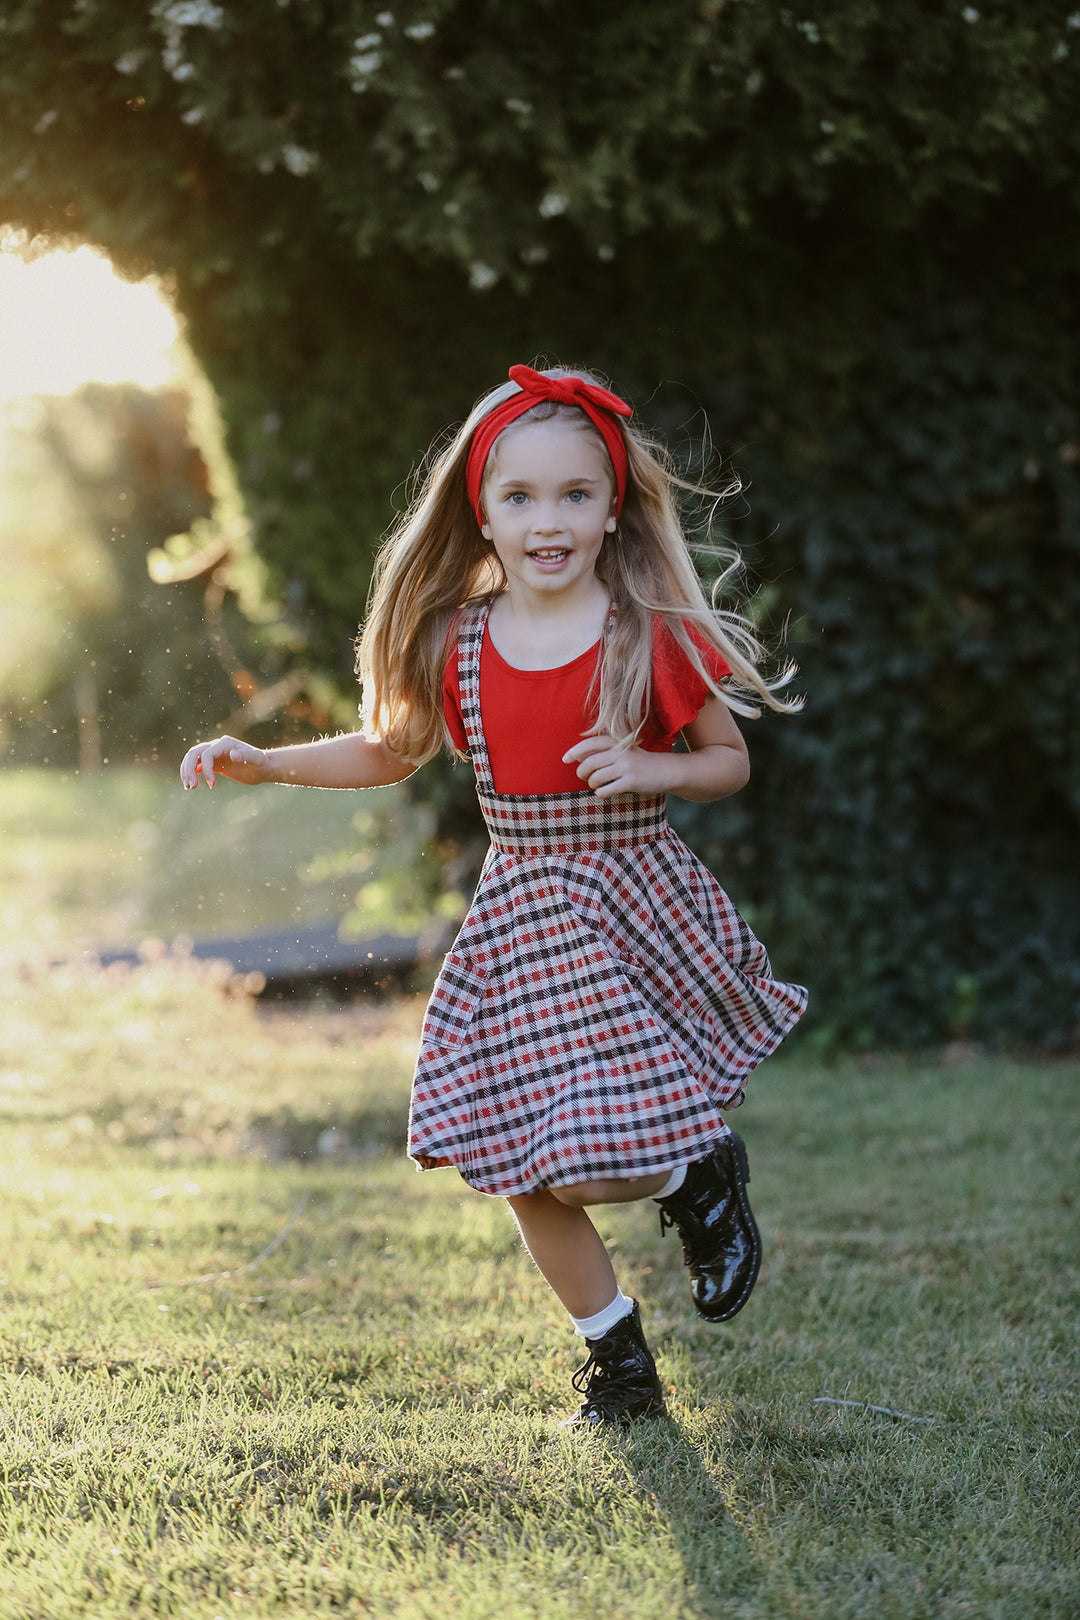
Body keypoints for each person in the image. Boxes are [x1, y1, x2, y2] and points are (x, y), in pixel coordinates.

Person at [180, 363, 807, 1427]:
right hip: (520, 913)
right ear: (483, 512)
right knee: (518, 1161)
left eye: (573, 495)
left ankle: (693, 1177)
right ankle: (620, 1367)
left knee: (614, 1150)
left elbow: (726, 761)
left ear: (614, 510)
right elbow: (388, 748)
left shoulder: (647, 634)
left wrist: (656, 770)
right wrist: (268, 762)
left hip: (624, 905)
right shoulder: (456, 641)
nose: (547, 520)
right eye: (520, 497)